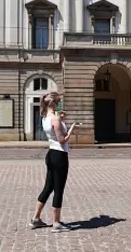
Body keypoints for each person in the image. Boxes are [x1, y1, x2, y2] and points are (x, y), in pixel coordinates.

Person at [30, 92, 77, 232]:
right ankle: (56, 223)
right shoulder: (55, 119)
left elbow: (53, 128)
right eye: (59, 101)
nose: (60, 104)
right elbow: (62, 140)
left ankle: (36, 218)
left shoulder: (44, 116)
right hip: (59, 155)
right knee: (58, 189)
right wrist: (73, 128)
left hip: (50, 154)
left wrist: (60, 118)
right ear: (55, 103)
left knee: (48, 187)